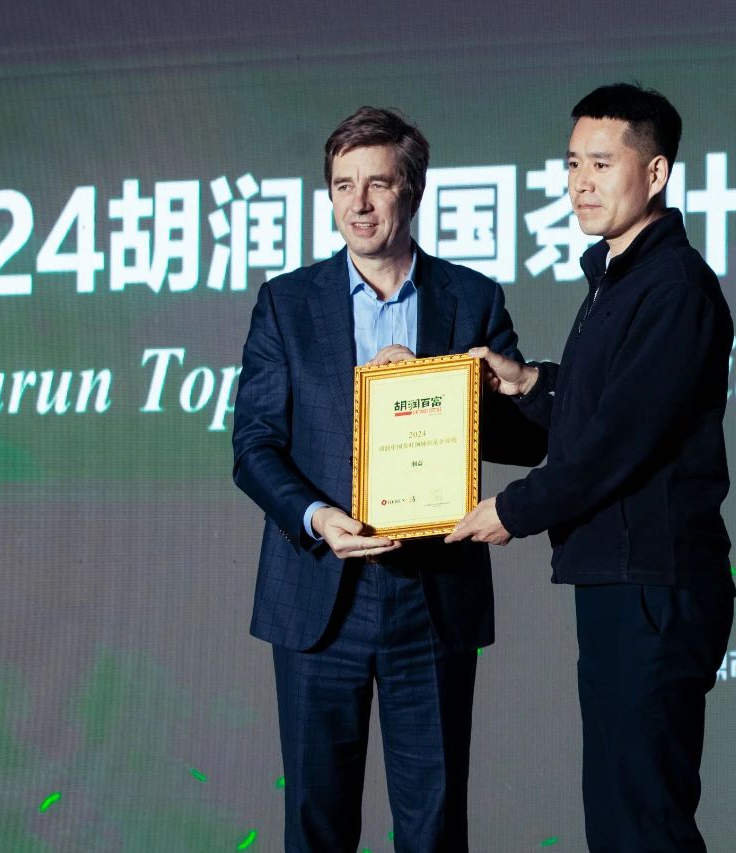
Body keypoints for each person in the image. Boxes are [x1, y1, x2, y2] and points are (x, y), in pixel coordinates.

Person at [232, 106, 542, 853]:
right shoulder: (286, 302)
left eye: (378, 183)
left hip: (430, 597)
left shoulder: (471, 298)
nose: (359, 204)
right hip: (320, 591)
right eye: (343, 186)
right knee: (316, 824)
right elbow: (254, 445)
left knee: (433, 828)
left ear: (414, 190)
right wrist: (315, 516)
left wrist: (445, 388)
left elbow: (524, 439)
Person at [447, 83, 736, 852]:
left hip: (654, 584)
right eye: (573, 163)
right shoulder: (619, 278)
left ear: (656, 172)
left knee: (644, 821)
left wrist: (512, 509)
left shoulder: (673, 286)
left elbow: (620, 439)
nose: (581, 182)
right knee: (617, 817)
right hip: (620, 580)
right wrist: (528, 383)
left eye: (602, 164)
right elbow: (598, 406)